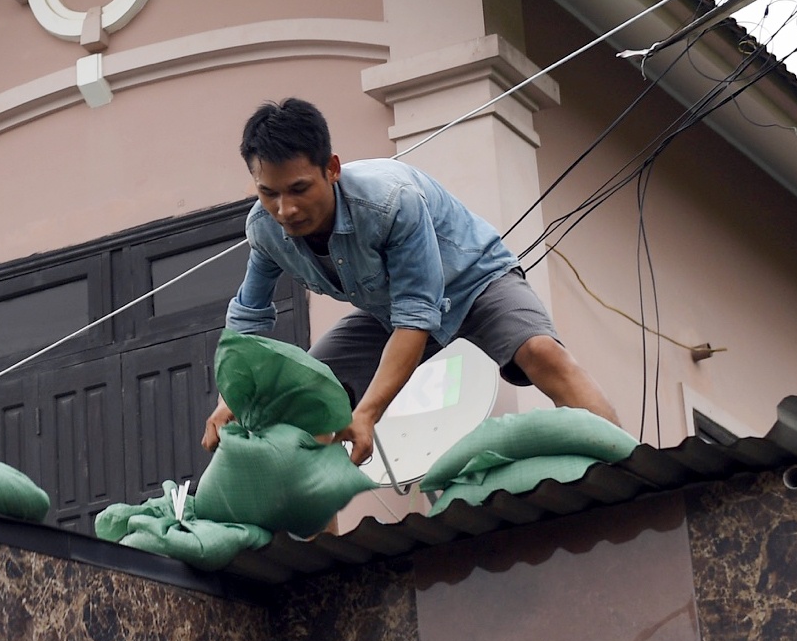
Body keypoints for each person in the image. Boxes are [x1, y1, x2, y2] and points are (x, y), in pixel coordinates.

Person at [201, 97, 619, 466]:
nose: (285, 209)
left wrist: (367, 413)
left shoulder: (390, 201)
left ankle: (629, 470)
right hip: (387, 312)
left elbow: (416, 317)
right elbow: (247, 322)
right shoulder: (264, 229)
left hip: (473, 284)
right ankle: (321, 549)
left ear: (331, 169)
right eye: (268, 193)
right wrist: (230, 401)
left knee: (541, 351)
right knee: (305, 403)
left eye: (298, 189)